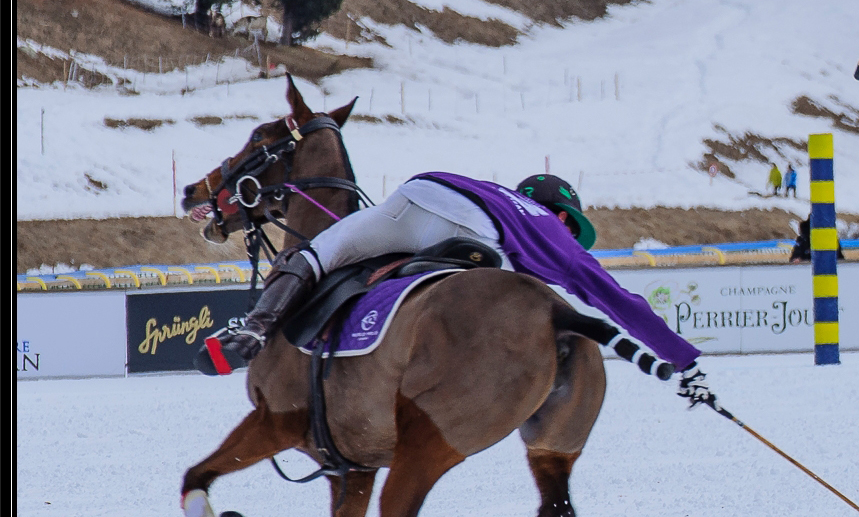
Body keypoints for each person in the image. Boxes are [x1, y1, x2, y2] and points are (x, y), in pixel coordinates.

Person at [196, 172, 713, 404]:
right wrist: (682, 360)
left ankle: (254, 331)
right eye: (573, 225)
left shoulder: (495, 189)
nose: (574, 238)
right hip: (472, 233)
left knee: (318, 255)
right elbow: (616, 300)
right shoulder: (554, 231)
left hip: (417, 193)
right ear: (560, 214)